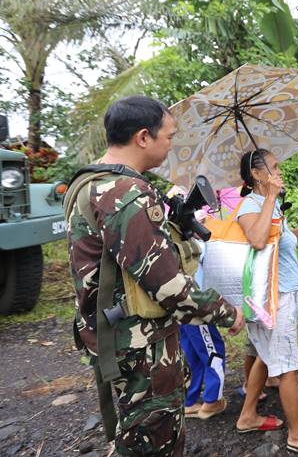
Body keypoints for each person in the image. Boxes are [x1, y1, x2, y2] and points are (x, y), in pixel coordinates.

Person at [65, 95, 244, 456]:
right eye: (169, 136)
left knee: (135, 433)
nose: (171, 145)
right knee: (155, 439)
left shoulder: (88, 183)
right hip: (141, 344)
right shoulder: (126, 193)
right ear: (143, 137)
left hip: (113, 335)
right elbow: (169, 287)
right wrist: (227, 313)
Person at [235, 149, 298, 456]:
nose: (279, 172)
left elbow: (285, 239)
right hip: (273, 298)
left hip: (281, 292)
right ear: (256, 173)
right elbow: (257, 239)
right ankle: (297, 433)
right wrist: (269, 198)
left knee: (265, 355)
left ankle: (248, 415)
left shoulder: (273, 205)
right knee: (288, 364)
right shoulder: (251, 205)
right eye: (274, 167)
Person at [180, 241, 228, 420]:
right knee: (213, 351)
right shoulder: (193, 240)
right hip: (197, 306)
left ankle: (189, 401)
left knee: (191, 353)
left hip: (180, 303)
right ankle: (212, 400)